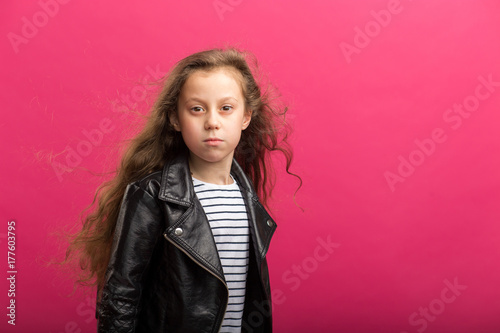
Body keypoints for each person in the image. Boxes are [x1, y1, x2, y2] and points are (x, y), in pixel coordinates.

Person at [64, 47, 300, 332]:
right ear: (176, 119)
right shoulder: (151, 195)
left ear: (246, 117)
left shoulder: (246, 196)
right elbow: (120, 296)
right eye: (197, 109)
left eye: (226, 108)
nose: (212, 122)